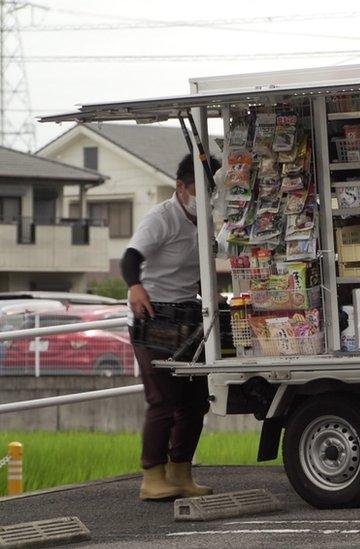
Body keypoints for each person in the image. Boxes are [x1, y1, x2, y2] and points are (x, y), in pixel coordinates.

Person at [122, 153, 220, 501]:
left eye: (212, 188)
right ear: (181, 187)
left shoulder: (206, 217)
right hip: (154, 316)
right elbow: (130, 258)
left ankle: (181, 473)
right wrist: (135, 287)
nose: (206, 195)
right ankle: (152, 477)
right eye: (199, 188)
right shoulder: (161, 218)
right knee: (163, 399)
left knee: (195, 401)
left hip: (190, 315)